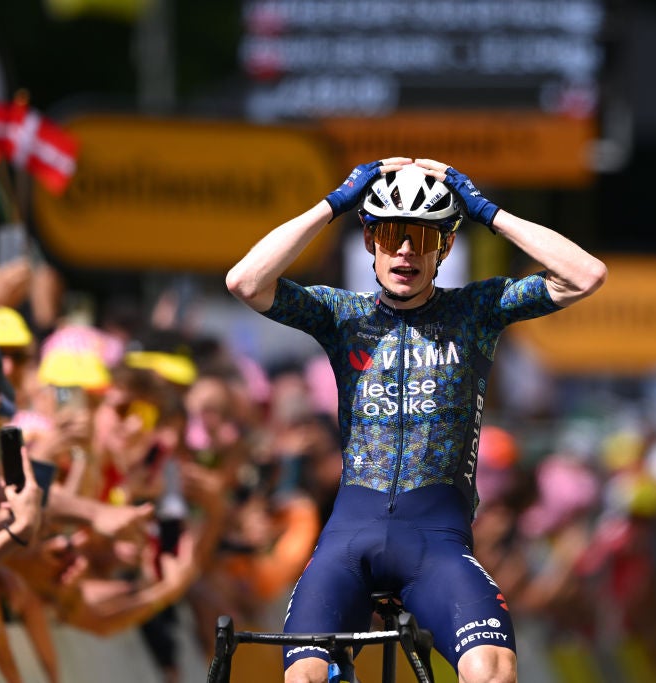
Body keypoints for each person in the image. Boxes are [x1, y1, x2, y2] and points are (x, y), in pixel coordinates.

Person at [225, 157, 607, 683]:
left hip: (437, 541)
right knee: (304, 679)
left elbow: (585, 274)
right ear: (369, 242)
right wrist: (334, 203)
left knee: (492, 671)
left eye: (423, 238)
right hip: (348, 540)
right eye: (390, 234)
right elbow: (245, 281)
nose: (405, 250)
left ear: (445, 248)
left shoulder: (477, 309)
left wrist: (488, 212)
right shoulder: (342, 315)